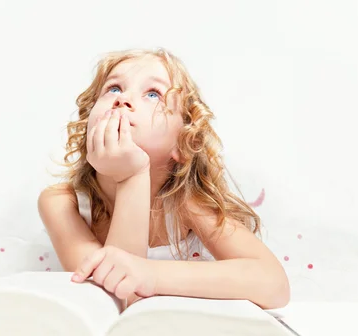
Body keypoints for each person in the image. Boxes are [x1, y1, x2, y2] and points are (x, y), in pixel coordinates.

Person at [38, 48, 289, 310]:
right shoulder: (61, 203)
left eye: (153, 94)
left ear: (182, 144)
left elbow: (275, 285)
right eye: (113, 88)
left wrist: (151, 274)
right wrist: (130, 177)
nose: (123, 99)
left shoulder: (187, 205)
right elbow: (115, 300)